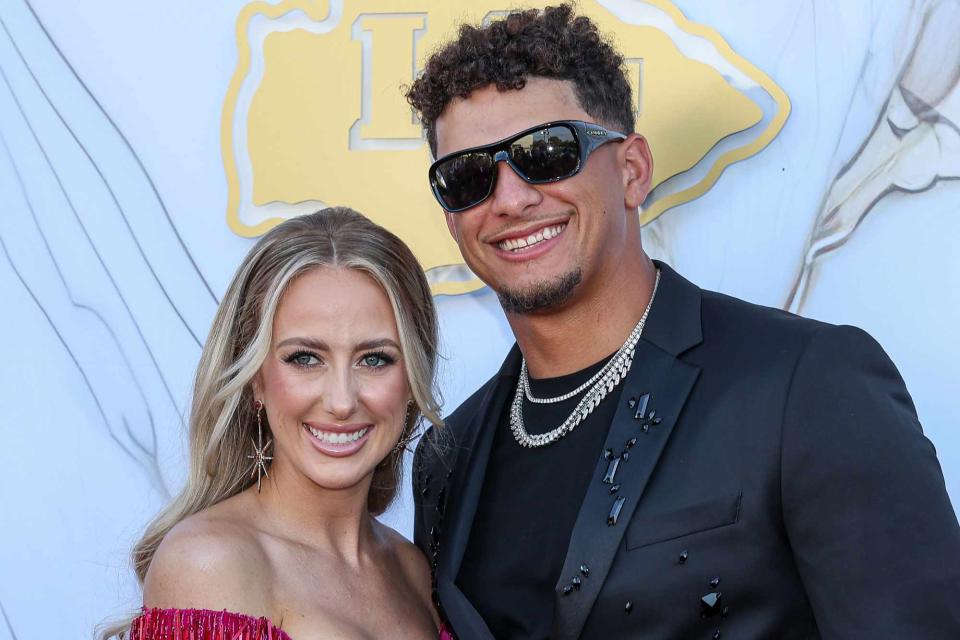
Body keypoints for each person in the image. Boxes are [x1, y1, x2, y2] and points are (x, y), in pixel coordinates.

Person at [405, 5, 960, 639]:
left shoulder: (804, 385)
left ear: (632, 171)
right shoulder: (447, 458)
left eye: (548, 153)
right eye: (469, 176)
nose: (509, 198)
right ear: (451, 217)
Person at [100, 208, 452, 639]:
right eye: (304, 358)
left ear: (412, 379)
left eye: (374, 359)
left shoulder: (410, 568)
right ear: (255, 381)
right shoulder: (210, 562)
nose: (341, 401)